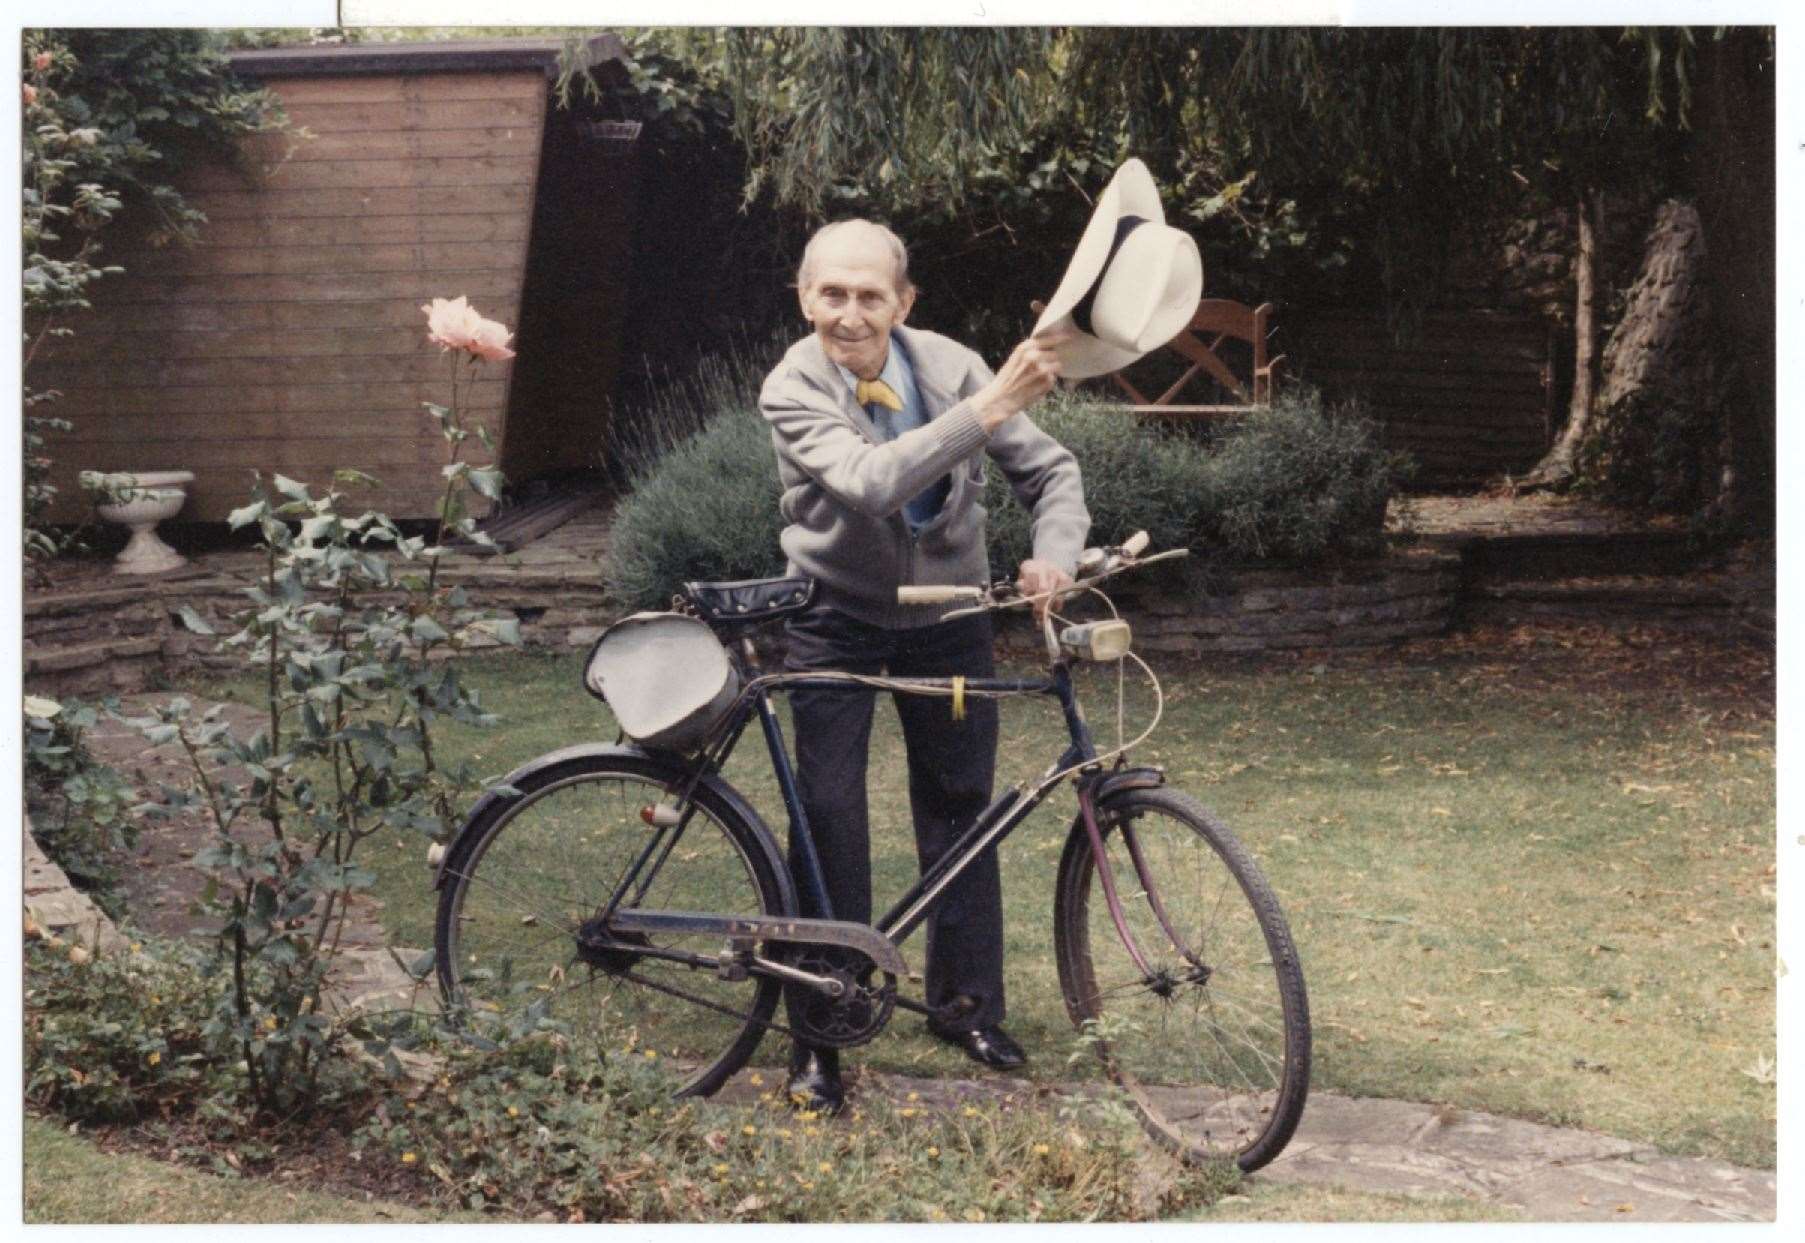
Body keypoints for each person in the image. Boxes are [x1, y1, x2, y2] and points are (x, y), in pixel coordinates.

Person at [759, 218, 1090, 1115]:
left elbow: (1050, 474)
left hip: (951, 618)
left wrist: (1052, 554)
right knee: (828, 817)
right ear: (804, 296)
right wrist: (988, 409)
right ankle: (820, 1036)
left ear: (904, 302)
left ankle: (964, 1006)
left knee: (960, 807)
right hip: (833, 620)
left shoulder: (949, 362)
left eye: (871, 295)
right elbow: (871, 481)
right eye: (832, 293)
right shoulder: (791, 385)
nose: (850, 314)